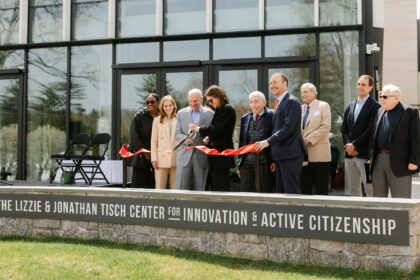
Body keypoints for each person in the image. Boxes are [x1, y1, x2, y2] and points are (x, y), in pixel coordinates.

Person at [255, 73, 306, 194]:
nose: (272, 85)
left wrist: (268, 142)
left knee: (290, 192)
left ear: (285, 84)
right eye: (271, 83)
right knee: (281, 192)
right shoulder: (279, 102)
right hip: (280, 155)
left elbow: (287, 128)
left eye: (275, 82)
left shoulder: (291, 102)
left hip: (290, 154)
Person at [369, 84, 420, 198]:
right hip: (378, 160)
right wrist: (370, 158)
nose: (381, 99)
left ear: (396, 98)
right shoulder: (379, 112)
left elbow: (416, 139)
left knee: (401, 199)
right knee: (378, 198)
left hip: (400, 162)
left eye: (385, 97)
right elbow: (374, 137)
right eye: (381, 96)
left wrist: (414, 160)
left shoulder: (409, 112)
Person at [189, 85, 236, 192]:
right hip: (215, 157)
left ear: (218, 96)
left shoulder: (227, 109)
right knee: (214, 188)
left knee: (221, 189)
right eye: (208, 101)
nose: (210, 103)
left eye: (211, 100)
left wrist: (198, 128)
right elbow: (216, 131)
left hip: (222, 156)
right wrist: (209, 139)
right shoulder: (219, 109)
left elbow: (216, 129)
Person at [341, 75, 380, 197]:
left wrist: (355, 145)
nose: (360, 87)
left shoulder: (375, 106)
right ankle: (356, 214)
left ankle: (372, 215)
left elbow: (371, 130)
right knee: (354, 190)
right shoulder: (350, 105)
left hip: (364, 154)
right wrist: (348, 145)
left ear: (370, 87)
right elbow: (344, 129)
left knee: (369, 190)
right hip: (349, 154)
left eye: (363, 85)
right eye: (358, 84)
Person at [175, 89, 214, 190]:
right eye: (191, 101)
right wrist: (186, 139)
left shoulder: (210, 114)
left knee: (201, 189)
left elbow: (212, 132)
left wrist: (208, 138)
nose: (193, 103)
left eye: (195, 101)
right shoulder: (181, 113)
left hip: (202, 156)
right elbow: (177, 134)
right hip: (184, 156)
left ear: (201, 99)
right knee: (181, 190)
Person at [237, 91, 274, 193]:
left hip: (264, 162)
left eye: (256, 102)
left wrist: (273, 160)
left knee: (264, 193)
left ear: (264, 102)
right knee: (245, 193)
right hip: (247, 163)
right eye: (251, 102)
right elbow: (242, 142)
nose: (253, 105)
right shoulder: (245, 117)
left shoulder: (272, 115)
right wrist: (240, 164)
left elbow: (275, 139)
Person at [300, 83, 331, 195]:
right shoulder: (300, 109)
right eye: (301, 92)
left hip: (319, 156)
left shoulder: (323, 106)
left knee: (321, 190)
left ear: (314, 93)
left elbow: (325, 127)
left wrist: (308, 139)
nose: (302, 95)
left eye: (305, 92)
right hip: (303, 156)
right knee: (304, 189)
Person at [128, 93, 160, 188]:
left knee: (153, 184)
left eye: (152, 102)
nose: (149, 104)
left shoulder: (161, 117)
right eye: (147, 102)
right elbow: (134, 136)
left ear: (158, 103)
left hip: (155, 156)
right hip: (140, 157)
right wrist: (145, 153)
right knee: (139, 184)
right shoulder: (139, 116)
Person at [151, 95, 178, 189]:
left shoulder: (179, 119)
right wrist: (154, 159)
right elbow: (154, 141)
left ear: (174, 106)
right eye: (165, 106)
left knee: (175, 188)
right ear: (162, 107)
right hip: (161, 158)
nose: (168, 108)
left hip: (176, 156)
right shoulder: (157, 120)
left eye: (170, 105)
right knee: (159, 187)